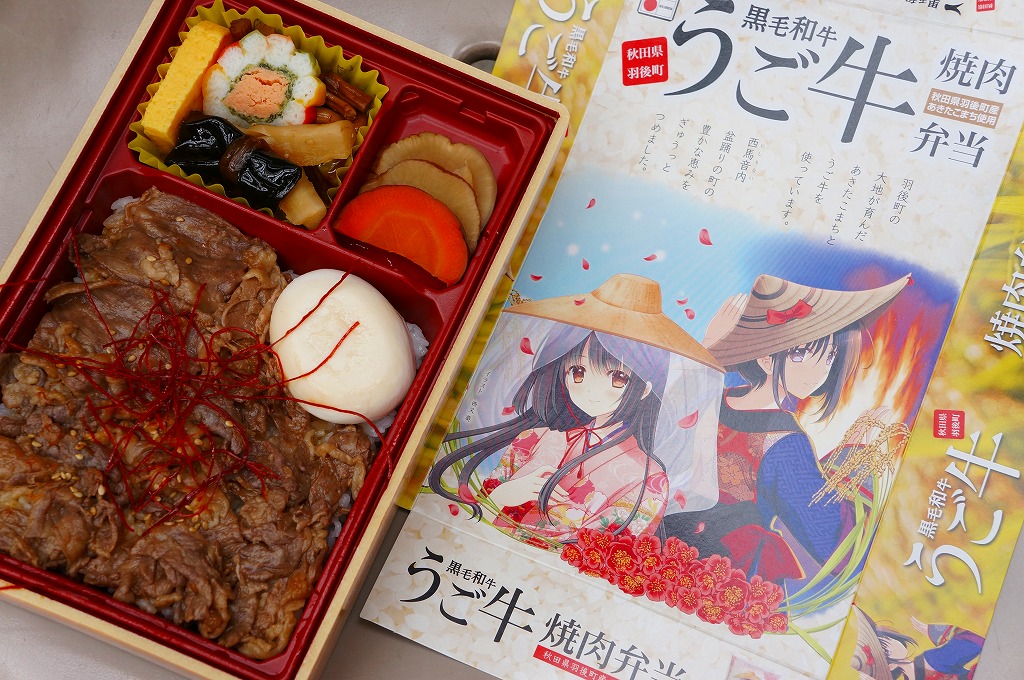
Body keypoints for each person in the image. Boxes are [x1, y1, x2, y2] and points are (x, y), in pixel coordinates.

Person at [427, 273, 724, 549]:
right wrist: (502, 496)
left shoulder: (649, 479)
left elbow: (604, 556)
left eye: (617, 377)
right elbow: (468, 518)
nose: (591, 391)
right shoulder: (532, 439)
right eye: (579, 372)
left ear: (645, 388)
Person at [660, 273, 910, 582]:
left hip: (664, 549)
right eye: (800, 353)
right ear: (766, 359)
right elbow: (835, 542)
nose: (820, 370)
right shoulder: (783, 445)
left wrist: (708, 349)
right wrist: (858, 456)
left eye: (830, 356)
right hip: (722, 575)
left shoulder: (711, 399)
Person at [852, 606, 984, 680]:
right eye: (885, 649)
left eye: (887, 638)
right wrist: (939, 633)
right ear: (890, 666)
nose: (892, 641)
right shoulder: (930, 660)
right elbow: (975, 643)